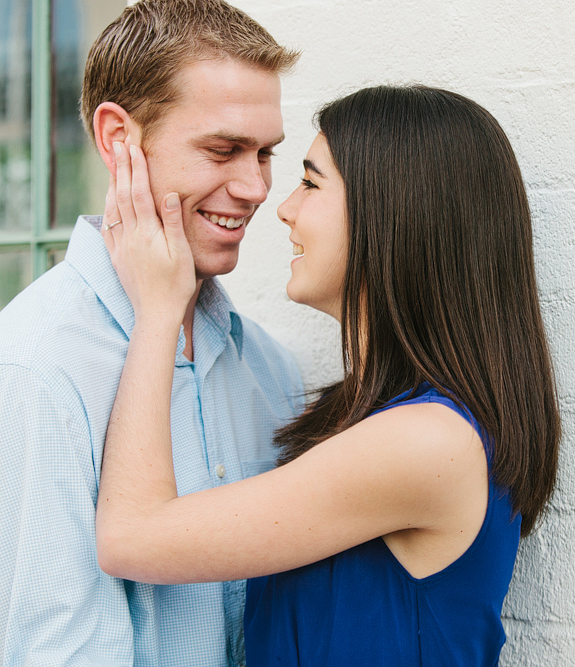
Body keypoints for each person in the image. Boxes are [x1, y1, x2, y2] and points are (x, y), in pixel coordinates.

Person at [95, 85, 561, 666]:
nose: (283, 207)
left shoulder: (424, 441)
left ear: (392, 215)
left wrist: (158, 311)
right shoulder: (378, 422)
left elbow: (131, 538)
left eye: (311, 183)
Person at [0, 1, 302, 665]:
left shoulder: (272, 372)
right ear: (117, 139)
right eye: (222, 149)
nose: (254, 187)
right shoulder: (36, 367)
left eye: (265, 154)